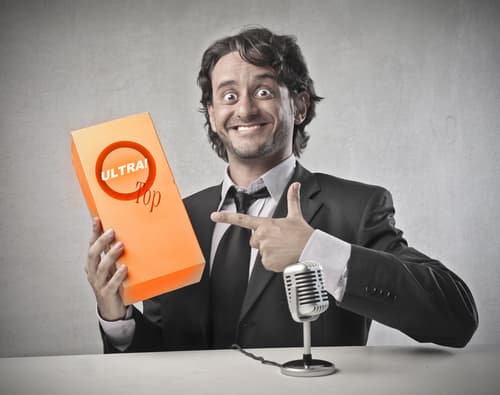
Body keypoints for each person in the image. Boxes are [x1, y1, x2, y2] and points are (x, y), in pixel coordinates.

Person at [86, 27, 478, 353]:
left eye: (263, 91)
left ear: (301, 105)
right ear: (212, 114)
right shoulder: (176, 218)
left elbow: (457, 318)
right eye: (228, 95)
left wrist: (317, 250)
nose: (244, 110)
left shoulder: (356, 208)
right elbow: (163, 359)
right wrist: (117, 318)